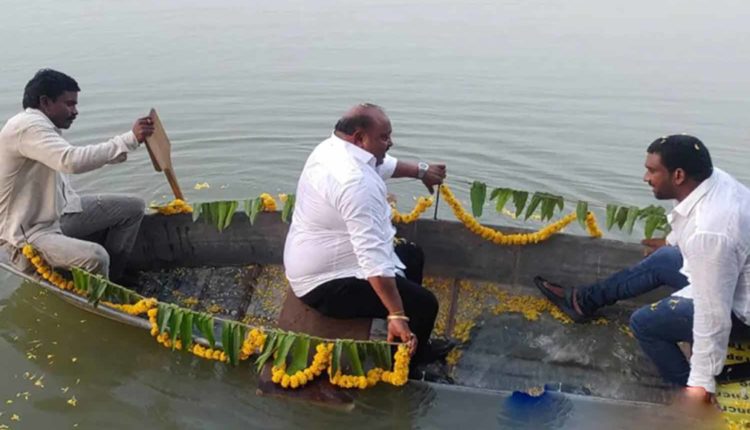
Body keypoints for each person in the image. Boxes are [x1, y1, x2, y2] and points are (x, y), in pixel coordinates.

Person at [535, 135, 750, 402]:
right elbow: (689, 221)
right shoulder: (711, 180)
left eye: (652, 171)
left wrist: (701, 383)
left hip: (741, 312)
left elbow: (713, 316)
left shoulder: (710, 233)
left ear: (679, 175)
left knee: (645, 323)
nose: (645, 178)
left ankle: (689, 392)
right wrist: (672, 240)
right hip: (732, 277)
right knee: (665, 258)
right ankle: (582, 301)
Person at [283, 103, 452, 378]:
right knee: (425, 305)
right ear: (360, 138)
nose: (391, 142)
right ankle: (408, 364)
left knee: (412, 255)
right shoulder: (356, 183)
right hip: (325, 284)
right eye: (384, 137)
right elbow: (373, 260)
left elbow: (382, 164)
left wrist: (422, 171)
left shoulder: (333, 148)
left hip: (320, 257)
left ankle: (408, 335)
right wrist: (397, 313)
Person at [0, 69, 154, 284]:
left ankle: (115, 278)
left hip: (59, 214)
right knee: (96, 257)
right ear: (45, 102)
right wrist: (128, 139)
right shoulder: (27, 127)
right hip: (26, 235)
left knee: (133, 208)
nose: (75, 111)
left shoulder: (41, 126)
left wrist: (126, 145)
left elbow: (75, 158)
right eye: (69, 104)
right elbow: (71, 160)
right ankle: (103, 297)